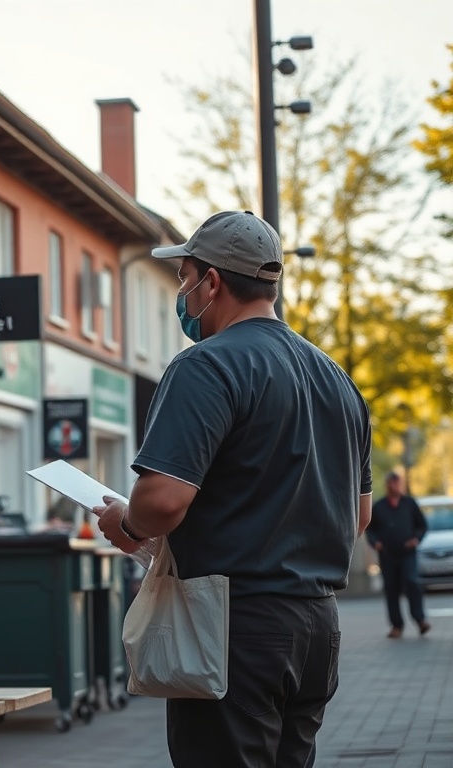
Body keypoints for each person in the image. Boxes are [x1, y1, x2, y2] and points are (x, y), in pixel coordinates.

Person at [93, 210, 372, 768]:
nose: (183, 295)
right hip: (318, 627)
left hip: (232, 628)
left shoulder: (206, 365)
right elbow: (358, 515)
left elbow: (163, 500)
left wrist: (127, 524)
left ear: (211, 281)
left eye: (183, 279)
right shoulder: (336, 378)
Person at [366, 471, 430, 638]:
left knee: (412, 582)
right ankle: (396, 626)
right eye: (392, 483)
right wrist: (375, 543)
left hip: (408, 553)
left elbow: (421, 526)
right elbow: (370, 530)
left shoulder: (410, 504)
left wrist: (416, 539)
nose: (395, 486)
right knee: (391, 589)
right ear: (387, 485)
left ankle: (420, 620)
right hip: (387, 555)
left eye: (397, 482)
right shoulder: (379, 506)